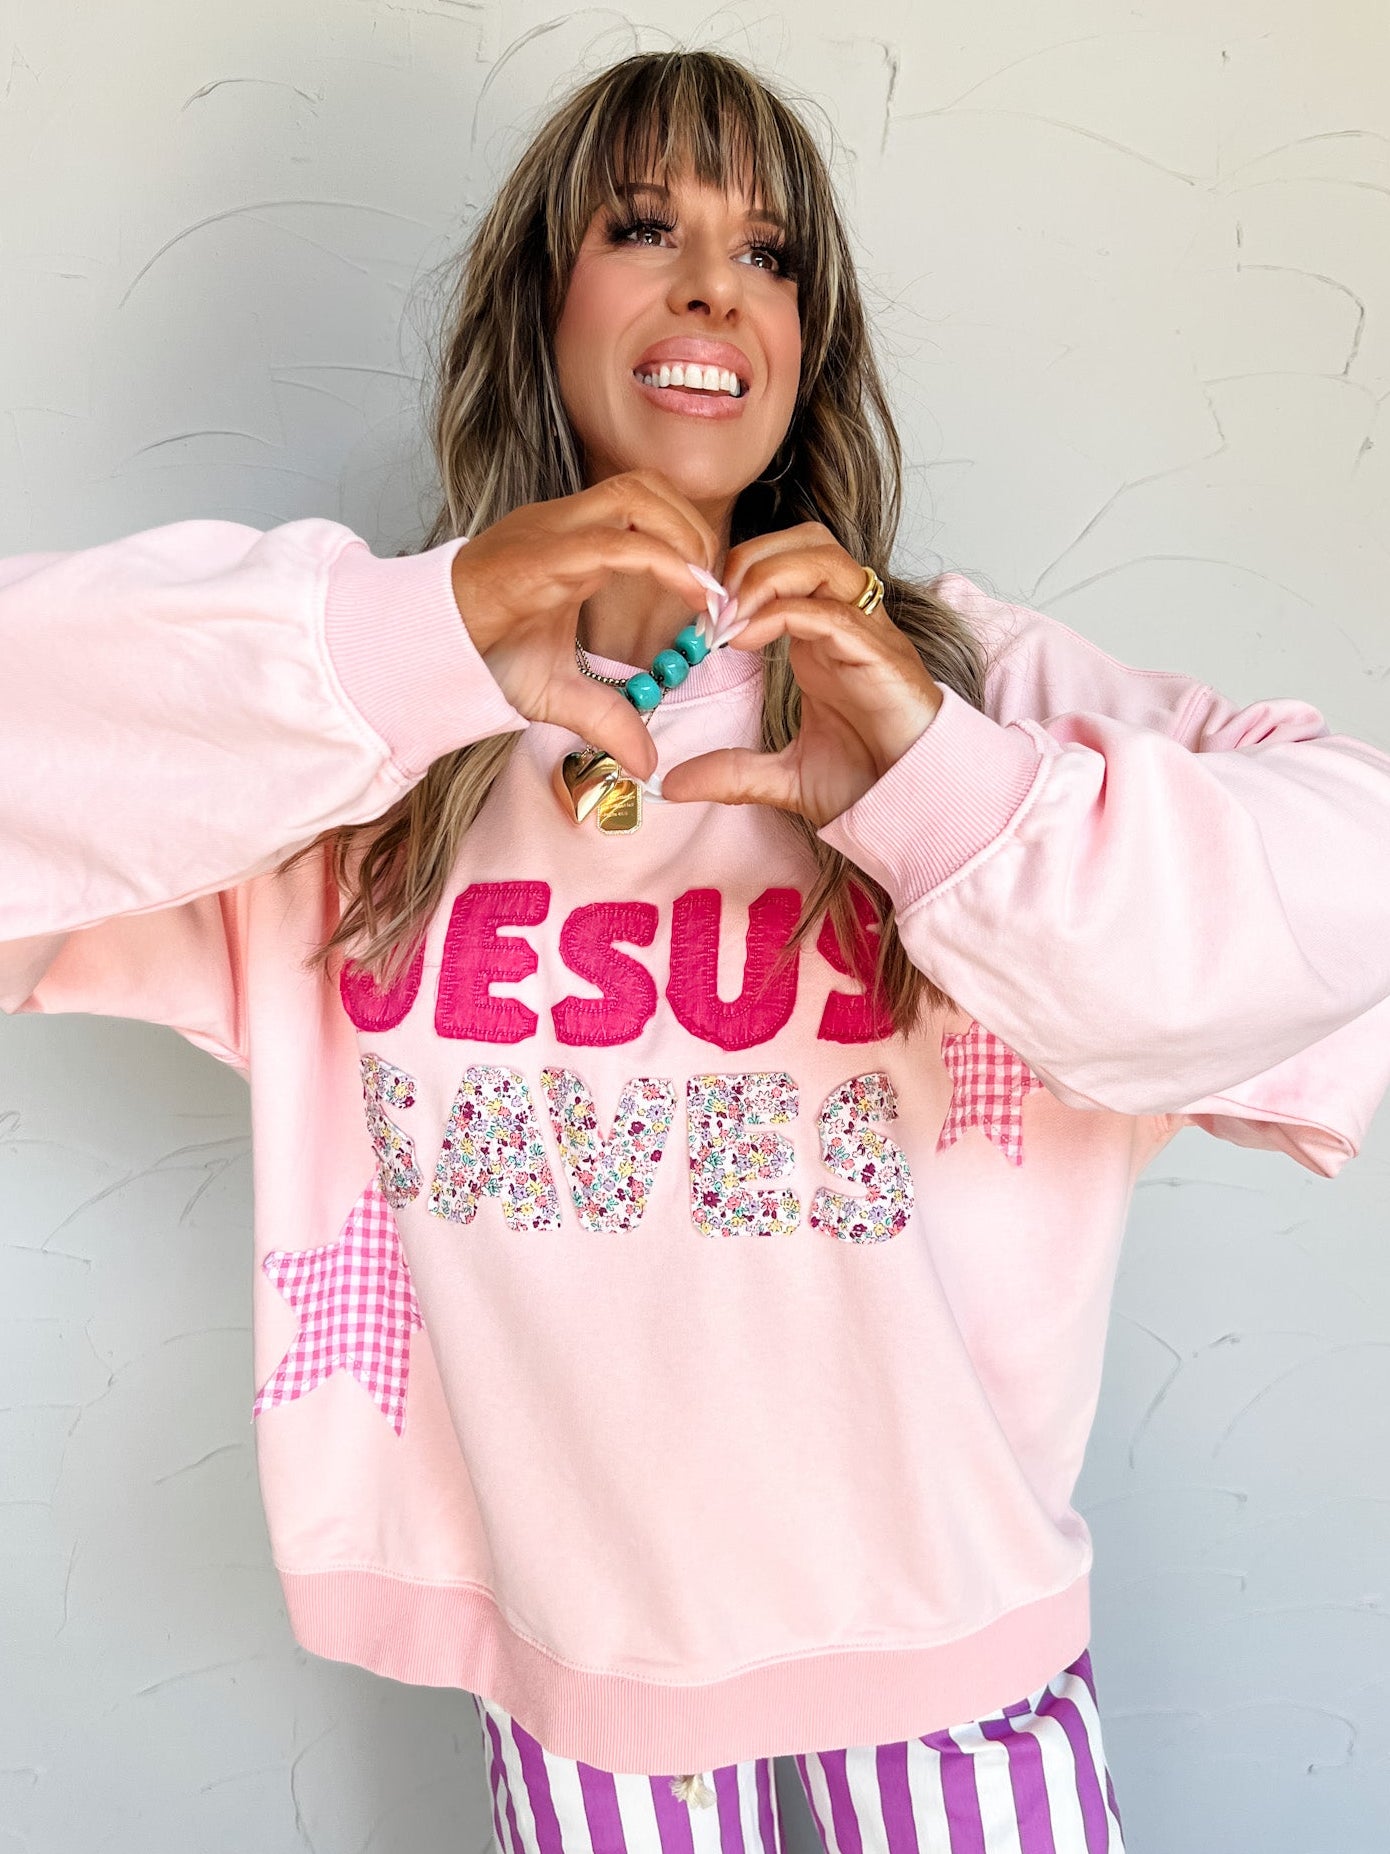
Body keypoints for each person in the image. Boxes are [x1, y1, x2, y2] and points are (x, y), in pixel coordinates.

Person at [5, 46, 1390, 1854]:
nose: (713, 285)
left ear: (810, 334)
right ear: (544, 299)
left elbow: (1335, 890)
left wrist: (946, 794)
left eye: (774, 250)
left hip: (954, 1668)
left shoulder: (958, 681)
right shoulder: (363, 733)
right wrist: (408, 647)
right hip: (583, 1680)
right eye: (643, 224)